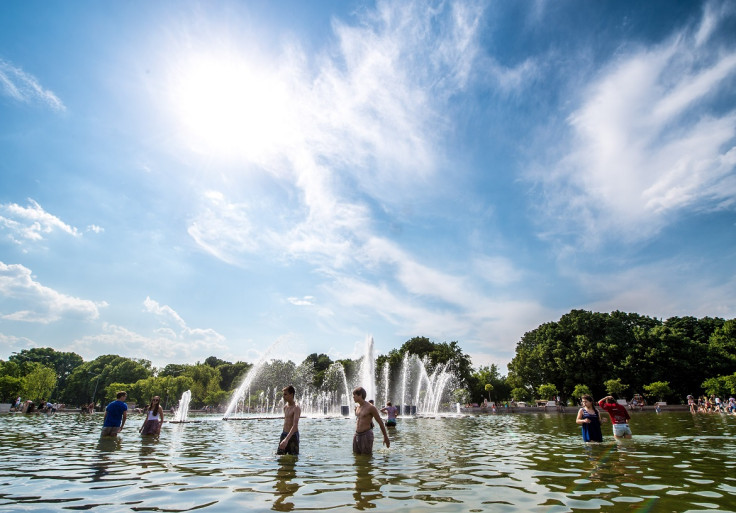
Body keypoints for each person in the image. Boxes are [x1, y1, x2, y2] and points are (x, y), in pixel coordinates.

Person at [352, 387, 389, 455]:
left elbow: (380, 422)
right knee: (356, 457)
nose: (353, 397)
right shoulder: (357, 407)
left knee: (366, 457)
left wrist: (385, 436)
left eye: (354, 395)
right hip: (357, 435)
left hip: (366, 435)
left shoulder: (371, 407)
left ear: (360, 395)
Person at [277, 385, 301, 455]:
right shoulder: (285, 407)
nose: (283, 396)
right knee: (280, 456)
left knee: (292, 458)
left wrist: (286, 440)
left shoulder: (296, 408)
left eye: (285, 394)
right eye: (283, 394)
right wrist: (284, 437)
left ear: (291, 394)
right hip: (284, 434)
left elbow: (295, 425)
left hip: (293, 436)